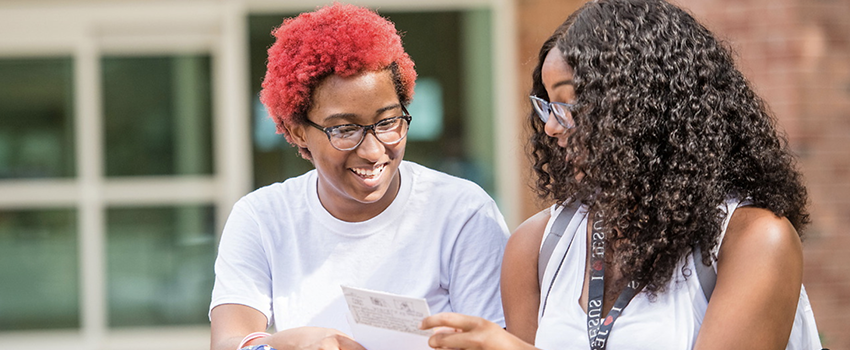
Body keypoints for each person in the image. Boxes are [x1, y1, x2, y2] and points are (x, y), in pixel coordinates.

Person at [421, 0, 819, 349]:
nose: (551, 128)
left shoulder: (753, 240)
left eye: (570, 103)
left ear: (642, 108)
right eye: (548, 106)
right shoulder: (535, 247)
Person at [209, 4, 509, 350]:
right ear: (298, 132)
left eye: (387, 122)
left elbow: (494, 341)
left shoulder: (461, 213)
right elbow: (230, 341)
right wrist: (287, 345)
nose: (373, 150)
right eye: (345, 129)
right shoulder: (263, 218)